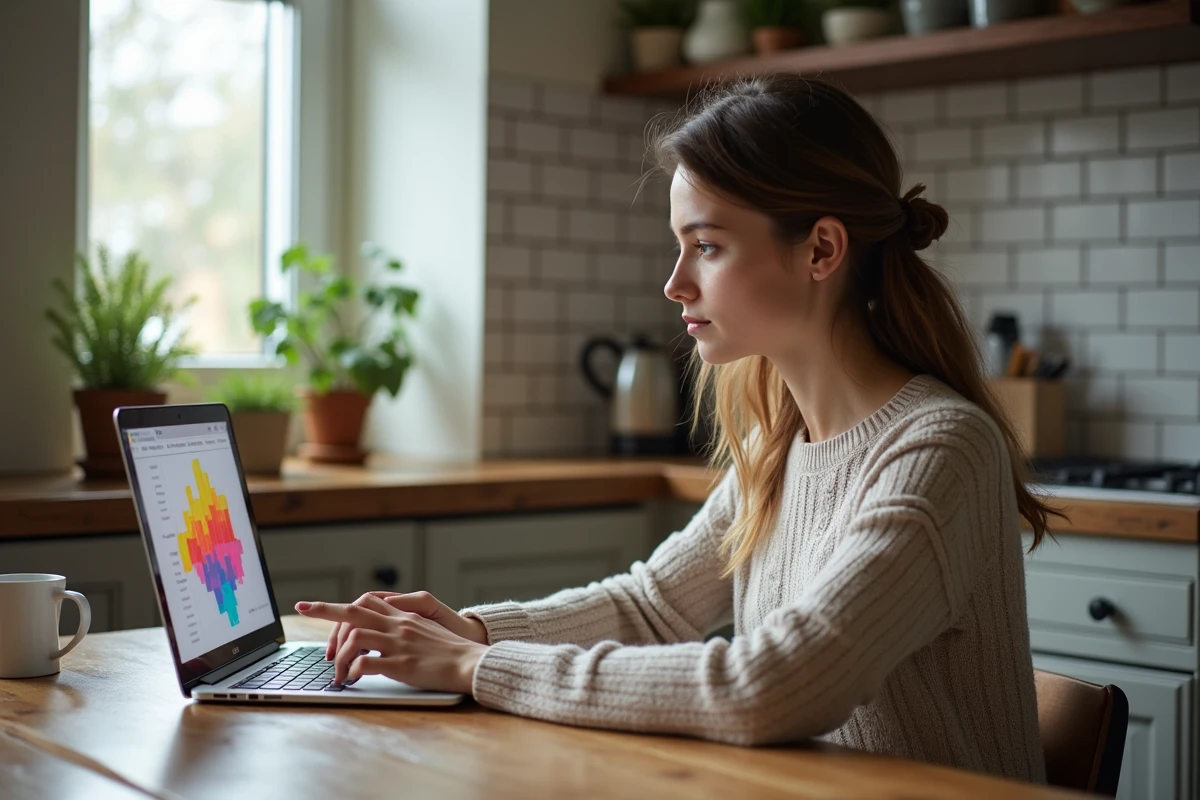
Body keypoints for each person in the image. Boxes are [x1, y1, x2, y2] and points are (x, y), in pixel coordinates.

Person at [295, 75, 1059, 784]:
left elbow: (773, 686)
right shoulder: (779, 443)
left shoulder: (940, 449)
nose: (674, 283)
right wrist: (471, 631)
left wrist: (473, 669)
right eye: (680, 243)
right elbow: (651, 606)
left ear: (822, 249)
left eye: (709, 245)